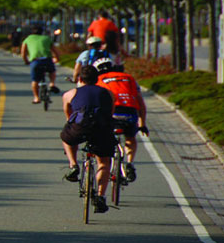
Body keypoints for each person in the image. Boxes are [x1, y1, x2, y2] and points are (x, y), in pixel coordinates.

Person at [60, 65, 117, 213]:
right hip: (102, 128)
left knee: (66, 137)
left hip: (80, 127)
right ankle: (100, 195)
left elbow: (68, 115)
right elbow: (110, 114)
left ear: (80, 79)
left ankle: (73, 165)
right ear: (97, 79)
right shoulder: (109, 93)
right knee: (104, 162)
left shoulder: (70, 93)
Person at [92, 58, 148, 182]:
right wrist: (142, 123)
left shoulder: (98, 80)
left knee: (104, 138)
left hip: (111, 113)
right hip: (129, 112)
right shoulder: (129, 78)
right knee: (130, 138)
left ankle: (107, 163)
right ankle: (129, 163)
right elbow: (140, 103)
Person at [20, 25, 61, 103]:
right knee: (52, 71)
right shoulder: (47, 38)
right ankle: (52, 84)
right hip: (47, 60)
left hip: (36, 62)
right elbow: (55, 51)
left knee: (35, 80)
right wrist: (57, 59)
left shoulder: (28, 39)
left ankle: (36, 97)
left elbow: (23, 53)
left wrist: (26, 61)